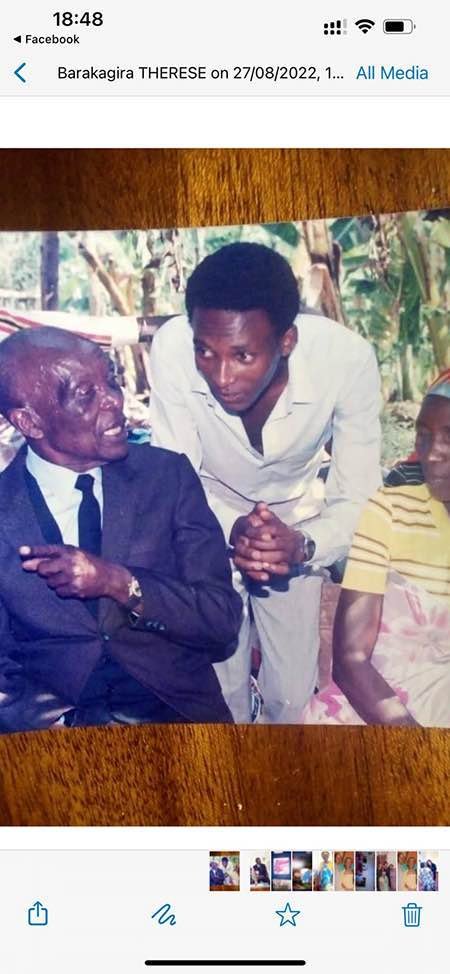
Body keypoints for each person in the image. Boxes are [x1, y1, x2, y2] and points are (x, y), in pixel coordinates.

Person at [148, 242, 381, 723]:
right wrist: (222, 530)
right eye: (206, 353)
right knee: (218, 691)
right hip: (203, 520)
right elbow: (173, 476)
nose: (222, 376)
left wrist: (301, 545)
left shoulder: (347, 361)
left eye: (243, 355)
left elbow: (358, 496)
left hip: (297, 523)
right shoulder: (172, 348)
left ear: (287, 341)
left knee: (293, 698)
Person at [0, 327, 242, 733]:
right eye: (85, 394)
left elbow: (221, 621)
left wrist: (120, 583)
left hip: (177, 715)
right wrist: (43, 727)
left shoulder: (167, 477)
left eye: (110, 381)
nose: (114, 400)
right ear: (30, 421)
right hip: (51, 735)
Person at [304, 370, 450, 727]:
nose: (432, 454)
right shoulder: (390, 511)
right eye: (424, 436)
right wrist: (418, 751)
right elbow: (351, 658)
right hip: (388, 706)